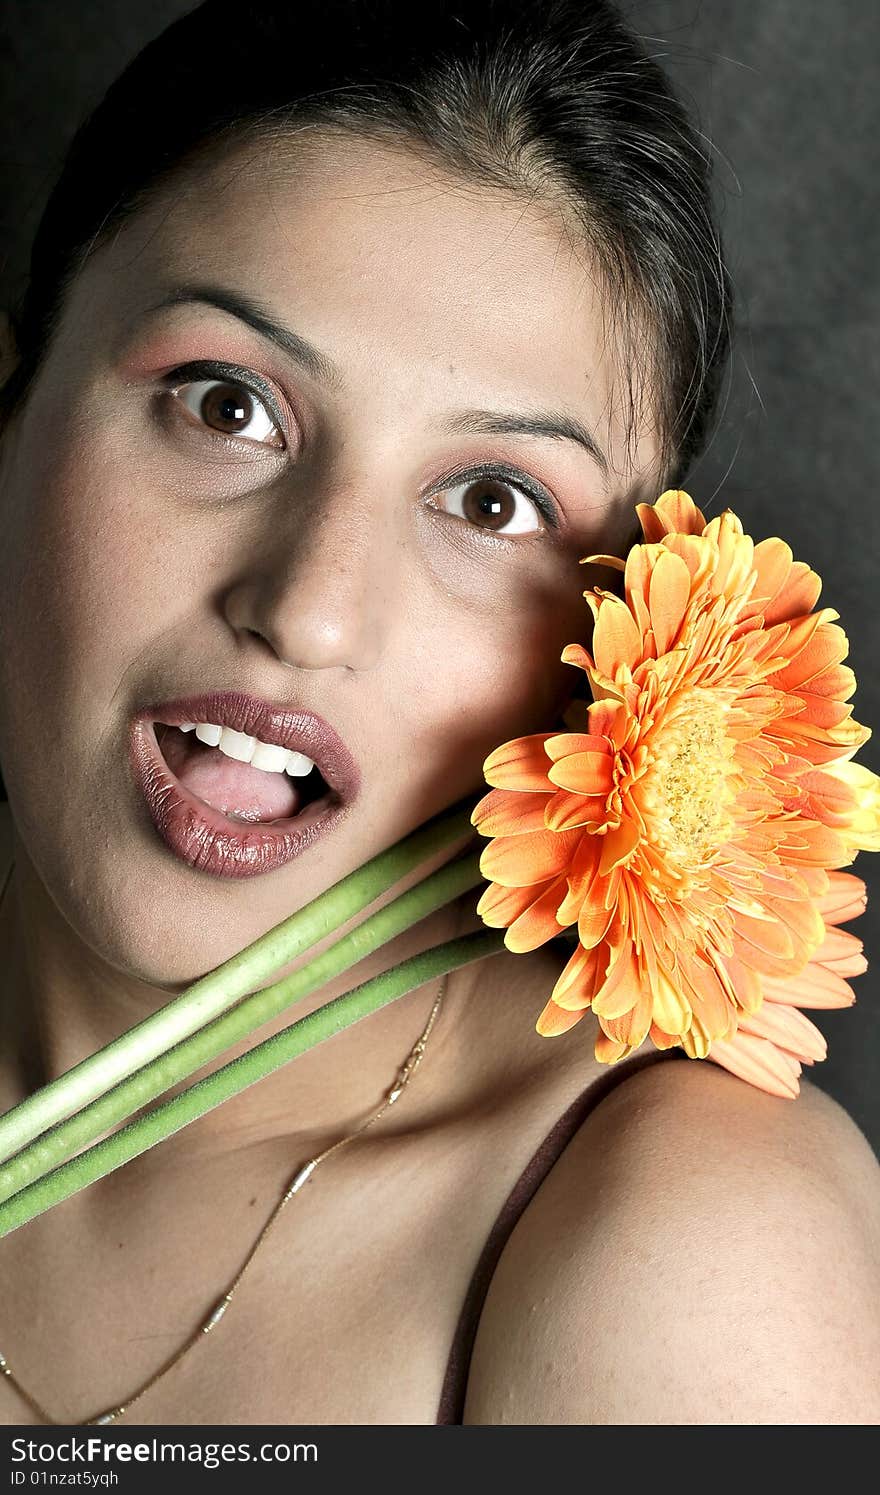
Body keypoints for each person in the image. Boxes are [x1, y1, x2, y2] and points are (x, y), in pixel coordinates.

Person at [0, 0, 877, 1428]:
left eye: (492, 502)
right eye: (227, 407)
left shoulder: (680, 1250)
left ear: (619, 638)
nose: (311, 610)